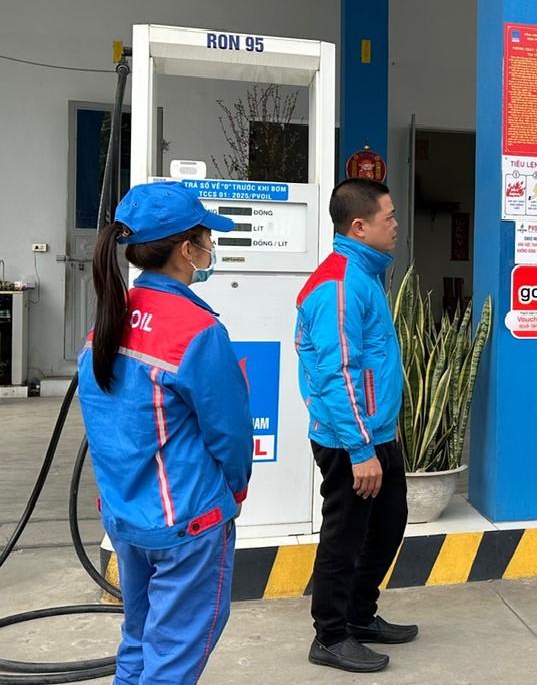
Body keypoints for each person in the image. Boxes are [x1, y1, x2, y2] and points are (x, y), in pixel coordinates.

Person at [77, 181, 252, 684]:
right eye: (206, 238)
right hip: (187, 524)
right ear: (186, 249)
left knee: (139, 639)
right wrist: (232, 494)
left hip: (127, 518)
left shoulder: (107, 322)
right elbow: (231, 436)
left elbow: (105, 426)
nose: (210, 249)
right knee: (173, 657)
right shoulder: (197, 330)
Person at [295, 178, 416, 674]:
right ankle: (331, 634)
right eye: (388, 217)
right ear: (359, 227)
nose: (396, 225)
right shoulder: (339, 283)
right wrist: (361, 449)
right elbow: (336, 372)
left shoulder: (364, 275)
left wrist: (381, 433)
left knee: (387, 525)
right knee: (345, 536)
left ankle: (360, 615)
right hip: (351, 440)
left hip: (376, 432)